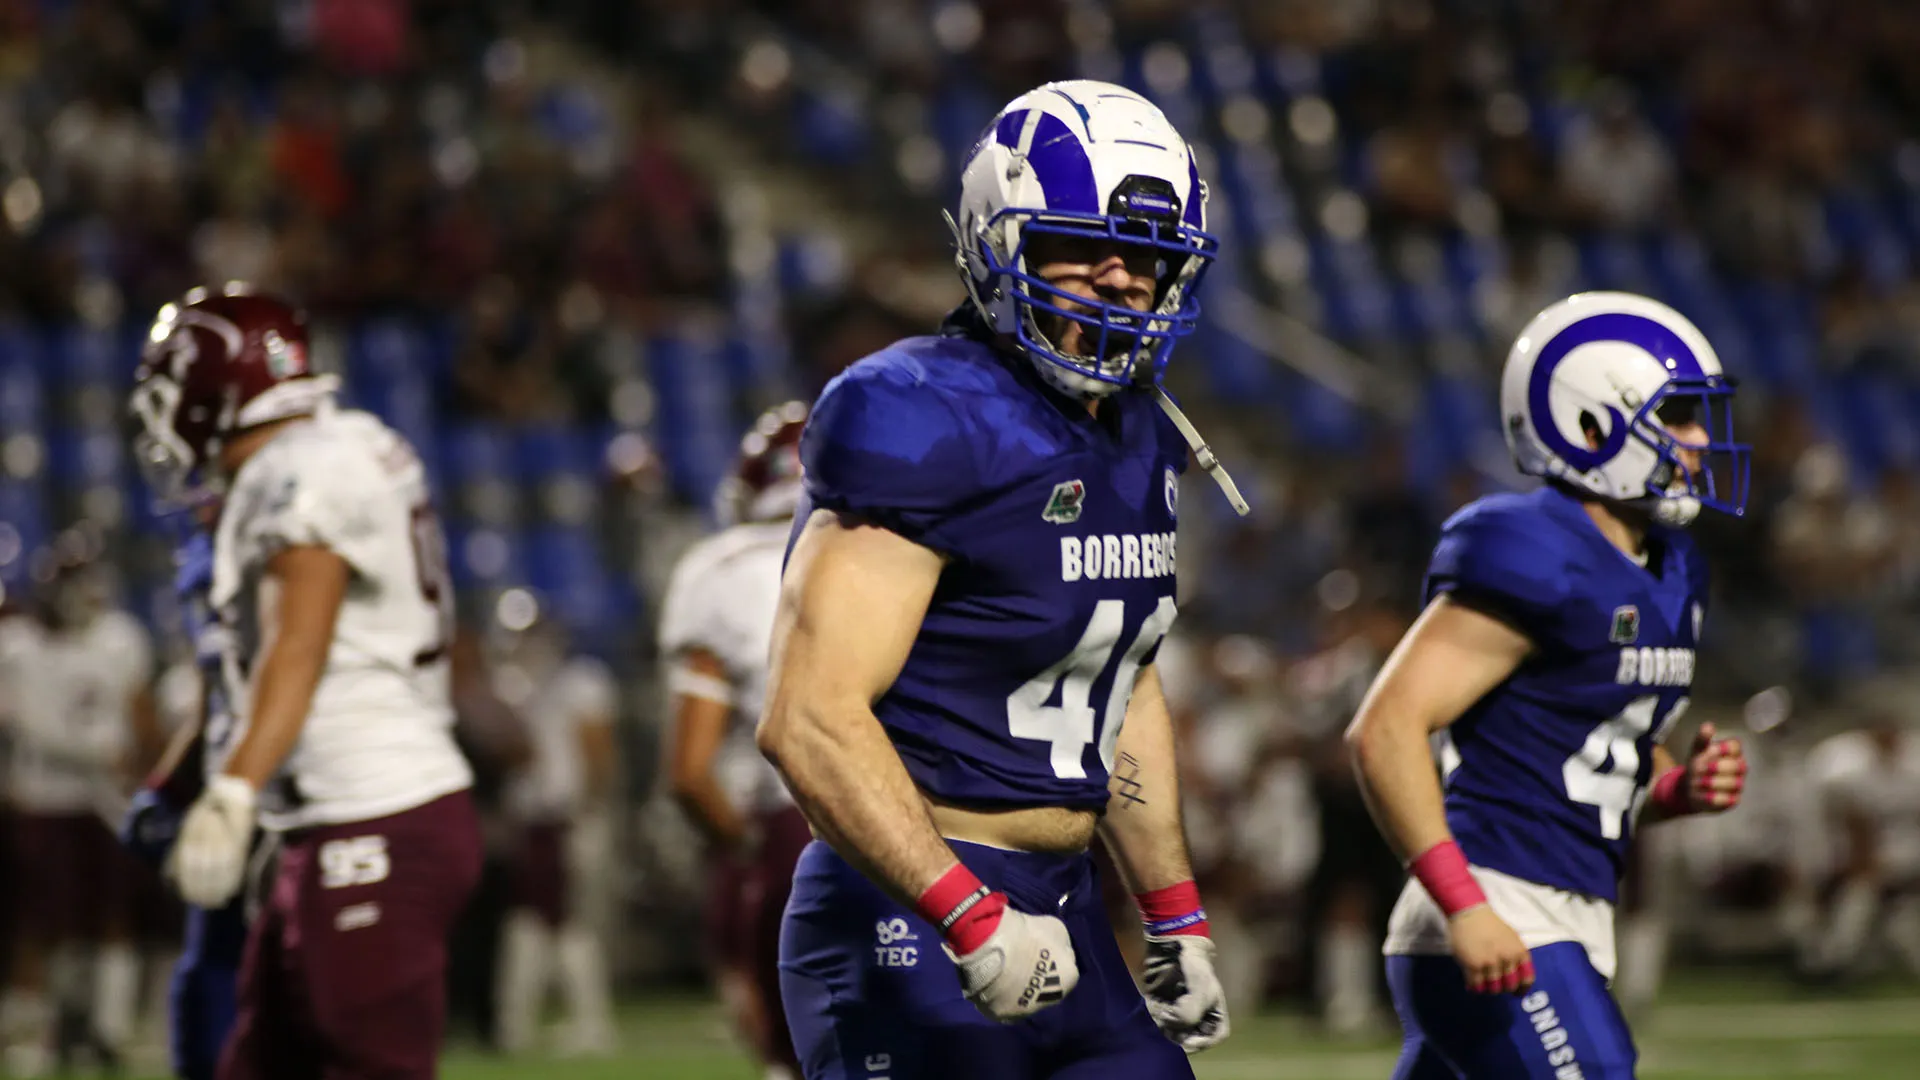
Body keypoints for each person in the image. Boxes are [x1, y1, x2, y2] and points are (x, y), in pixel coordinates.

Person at [759, 79, 1244, 1080]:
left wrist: (1171, 911)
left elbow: (1119, 674)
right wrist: (965, 912)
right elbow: (807, 716)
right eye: (1079, 246)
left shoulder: (1136, 434)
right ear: (996, 242)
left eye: (1148, 257)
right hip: (909, 904)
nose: (1120, 279)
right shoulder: (921, 414)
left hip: (1068, 904)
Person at [1345, 291, 1753, 1079]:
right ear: (1590, 425)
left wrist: (1677, 788)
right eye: (1677, 417)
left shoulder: (1673, 568)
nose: (1701, 441)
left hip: (1567, 909)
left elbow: (1594, 747)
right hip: (1500, 902)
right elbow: (1385, 729)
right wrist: (1465, 903)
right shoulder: (1532, 548)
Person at [127, 284, 480, 1080]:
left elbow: (298, 644)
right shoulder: (342, 444)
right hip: (335, 824)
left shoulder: (300, 470)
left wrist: (234, 791)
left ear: (215, 388)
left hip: (372, 816)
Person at [660, 401, 814, 1080]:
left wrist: (748, 851)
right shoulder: (907, 545)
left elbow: (689, 773)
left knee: (792, 1053)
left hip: (798, 824)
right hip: (936, 824)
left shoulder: (721, 569)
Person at [0, 529, 156, 1075]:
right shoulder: (19, 646)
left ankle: (107, 1028)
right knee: (43, 923)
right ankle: (42, 1029)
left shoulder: (119, 639)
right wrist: (95, 752)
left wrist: (140, 774)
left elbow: (140, 716)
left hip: (105, 801)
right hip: (44, 797)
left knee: (111, 916)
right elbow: (21, 722)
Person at [120, 514, 251, 1080]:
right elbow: (214, 707)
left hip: (291, 803)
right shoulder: (211, 558)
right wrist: (167, 787)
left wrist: (239, 787)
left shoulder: (285, 543)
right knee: (203, 996)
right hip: (237, 788)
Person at [491, 597, 619, 1057]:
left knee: (567, 920)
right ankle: (524, 1023)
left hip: (570, 818)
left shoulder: (579, 681)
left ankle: (584, 1022)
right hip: (532, 820)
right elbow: (512, 757)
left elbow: (598, 755)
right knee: (540, 919)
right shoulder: (511, 686)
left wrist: (587, 812)